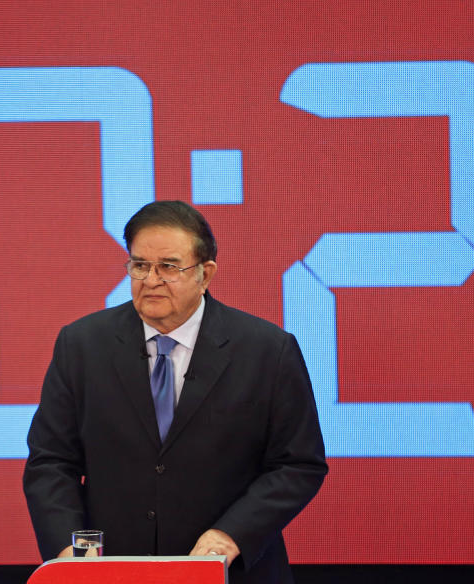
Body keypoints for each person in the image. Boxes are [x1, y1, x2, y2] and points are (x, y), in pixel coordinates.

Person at [23, 200, 327, 584]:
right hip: (110, 574)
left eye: (168, 266)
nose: (151, 280)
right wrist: (70, 553)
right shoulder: (82, 345)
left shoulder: (267, 350)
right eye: (139, 265)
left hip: (231, 573)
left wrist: (232, 535)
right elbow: (51, 462)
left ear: (205, 273)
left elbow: (298, 464)